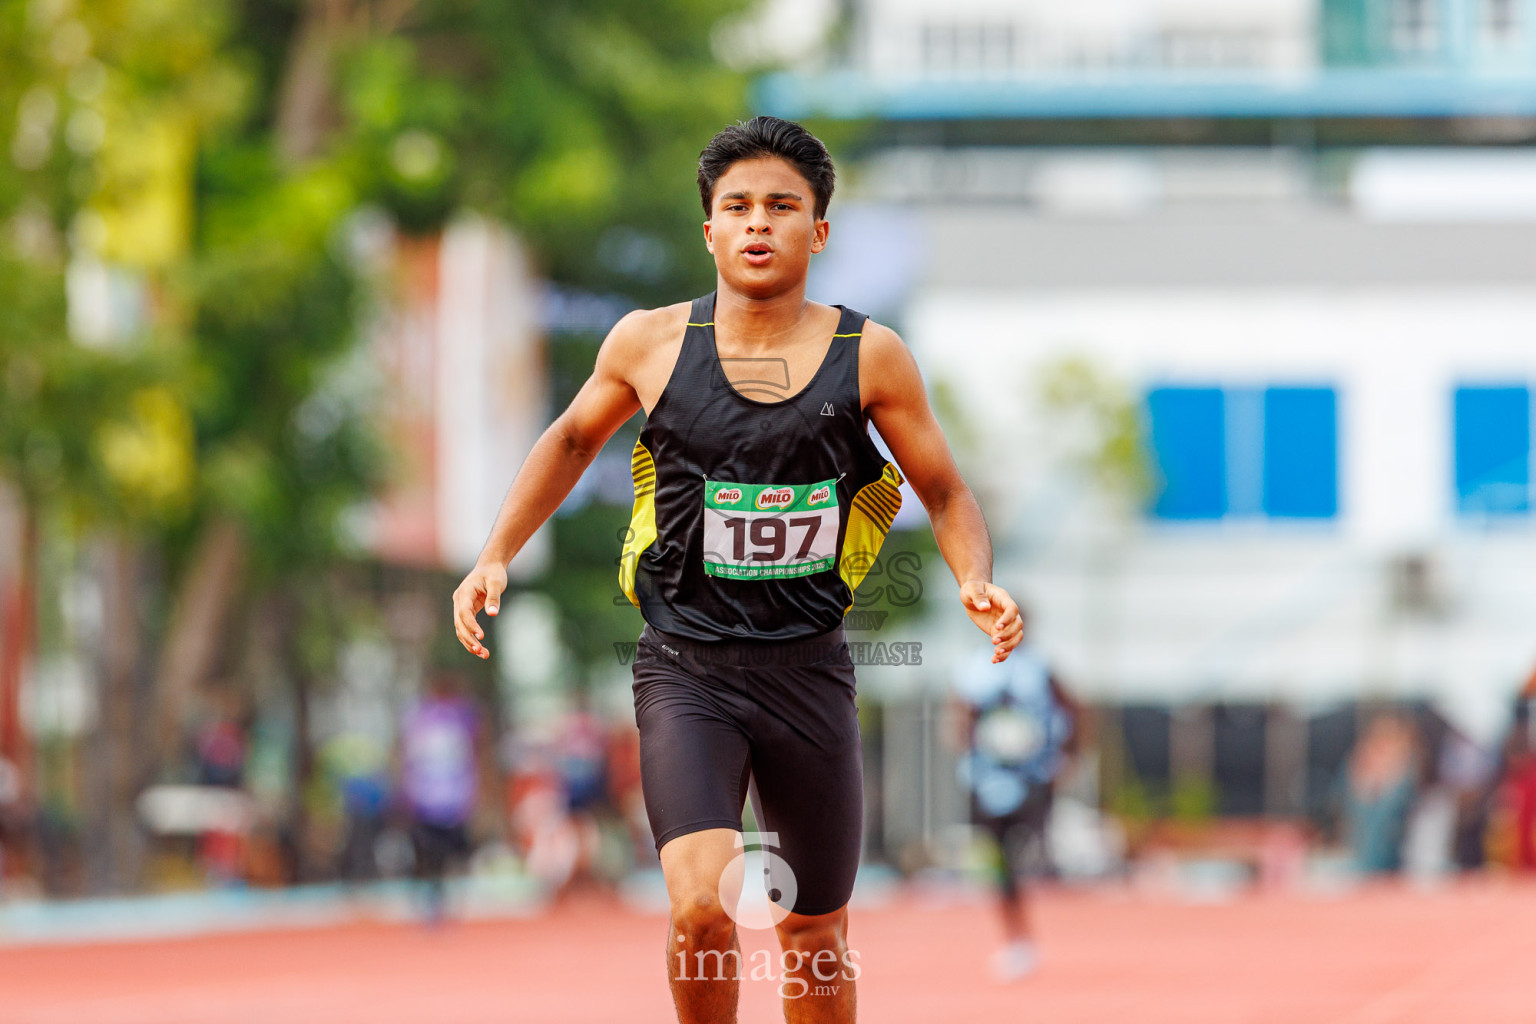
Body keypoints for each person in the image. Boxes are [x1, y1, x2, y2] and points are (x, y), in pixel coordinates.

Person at [451, 115, 1023, 1024]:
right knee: (701, 909)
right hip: (687, 673)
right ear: (710, 229)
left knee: (815, 936)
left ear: (818, 231)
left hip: (810, 673)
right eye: (739, 206)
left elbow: (946, 491)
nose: (759, 223)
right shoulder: (648, 344)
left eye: (783, 207)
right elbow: (568, 442)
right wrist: (494, 555)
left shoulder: (871, 357)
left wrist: (973, 579)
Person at [948, 607, 1079, 981]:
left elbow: (1073, 710)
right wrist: (970, 755)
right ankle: (1017, 936)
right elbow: (962, 716)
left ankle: (1032, 922)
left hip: (1033, 778)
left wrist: (1067, 758)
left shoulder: (1040, 667)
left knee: (1027, 853)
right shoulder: (975, 669)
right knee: (999, 861)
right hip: (990, 780)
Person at [399, 673, 483, 924]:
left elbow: (474, 753)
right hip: (430, 797)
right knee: (431, 853)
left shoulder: (461, 715)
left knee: (449, 853)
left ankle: (443, 899)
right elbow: (408, 756)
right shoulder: (420, 717)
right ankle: (434, 899)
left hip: (449, 797)